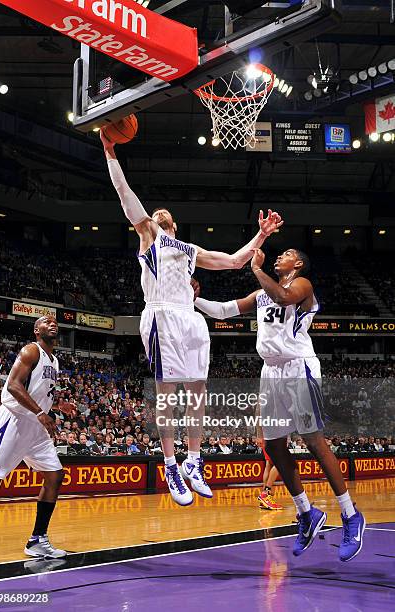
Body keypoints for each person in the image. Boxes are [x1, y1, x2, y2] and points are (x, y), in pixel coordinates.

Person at [101, 130, 283, 506]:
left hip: (189, 320)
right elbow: (124, 196)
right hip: (161, 316)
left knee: (198, 392)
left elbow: (234, 261)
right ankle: (169, 463)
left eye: (166, 215)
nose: (159, 213)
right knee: (167, 395)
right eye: (155, 213)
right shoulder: (149, 236)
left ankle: (193, 461)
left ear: (176, 225)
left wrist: (261, 237)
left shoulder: (188, 249)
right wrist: (110, 152)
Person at [195, 248, 365, 562]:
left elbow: (285, 298)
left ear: (297, 263)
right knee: (273, 446)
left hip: (299, 367)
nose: (278, 257)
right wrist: (193, 298)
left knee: (314, 441)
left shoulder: (303, 286)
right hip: (270, 371)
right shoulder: (261, 294)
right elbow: (222, 311)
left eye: (286, 254)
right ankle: (306, 513)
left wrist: (257, 269)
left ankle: (350, 515)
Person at [0, 316, 75, 558]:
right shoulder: (31, 350)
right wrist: (40, 412)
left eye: (55, 322)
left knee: (55, 476)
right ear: (37, 330)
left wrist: (58, 406)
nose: (53, 324)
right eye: (47, 322)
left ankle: (37, 540)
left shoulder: (55, 361)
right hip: (15, 419)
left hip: (36, 426)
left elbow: (38, 391)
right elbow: (14, 386)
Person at [257, 434, 283, 510]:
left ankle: (264, 498)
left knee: (269, 464)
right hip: (273, 437)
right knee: (280, 463)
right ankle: (265, 494)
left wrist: (259, 435)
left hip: (268, 437)